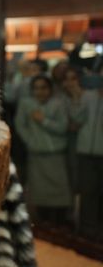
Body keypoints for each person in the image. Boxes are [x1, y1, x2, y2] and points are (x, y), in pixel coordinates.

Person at [15, 75, 72, 226]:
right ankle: (44, 230)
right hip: (37, 156)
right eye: (36, 88)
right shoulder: (26, 104)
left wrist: (44, 121)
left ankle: (59, 228)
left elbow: (63, 127)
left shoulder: (59, 104)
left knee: (60, 195)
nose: (40, 92)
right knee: (40, 196)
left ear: (50, 89)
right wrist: (31, 141)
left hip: (56, 157)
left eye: (44, 88)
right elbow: (20, 125)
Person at [63, 67, 103, 239]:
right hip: (85, 151)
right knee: (87, 191)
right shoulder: (88, 95)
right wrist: (76, 97)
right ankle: (87, 230)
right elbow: (76, 118)